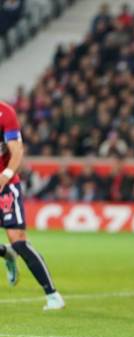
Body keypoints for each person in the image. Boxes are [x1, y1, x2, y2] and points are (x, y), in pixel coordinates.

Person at [0, 100, 64, 310]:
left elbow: (16, 150)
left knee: (18, 241)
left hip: (5, 185)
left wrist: (6, 176)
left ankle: (53, 295)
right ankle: (5, 253)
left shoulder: (5, 112)